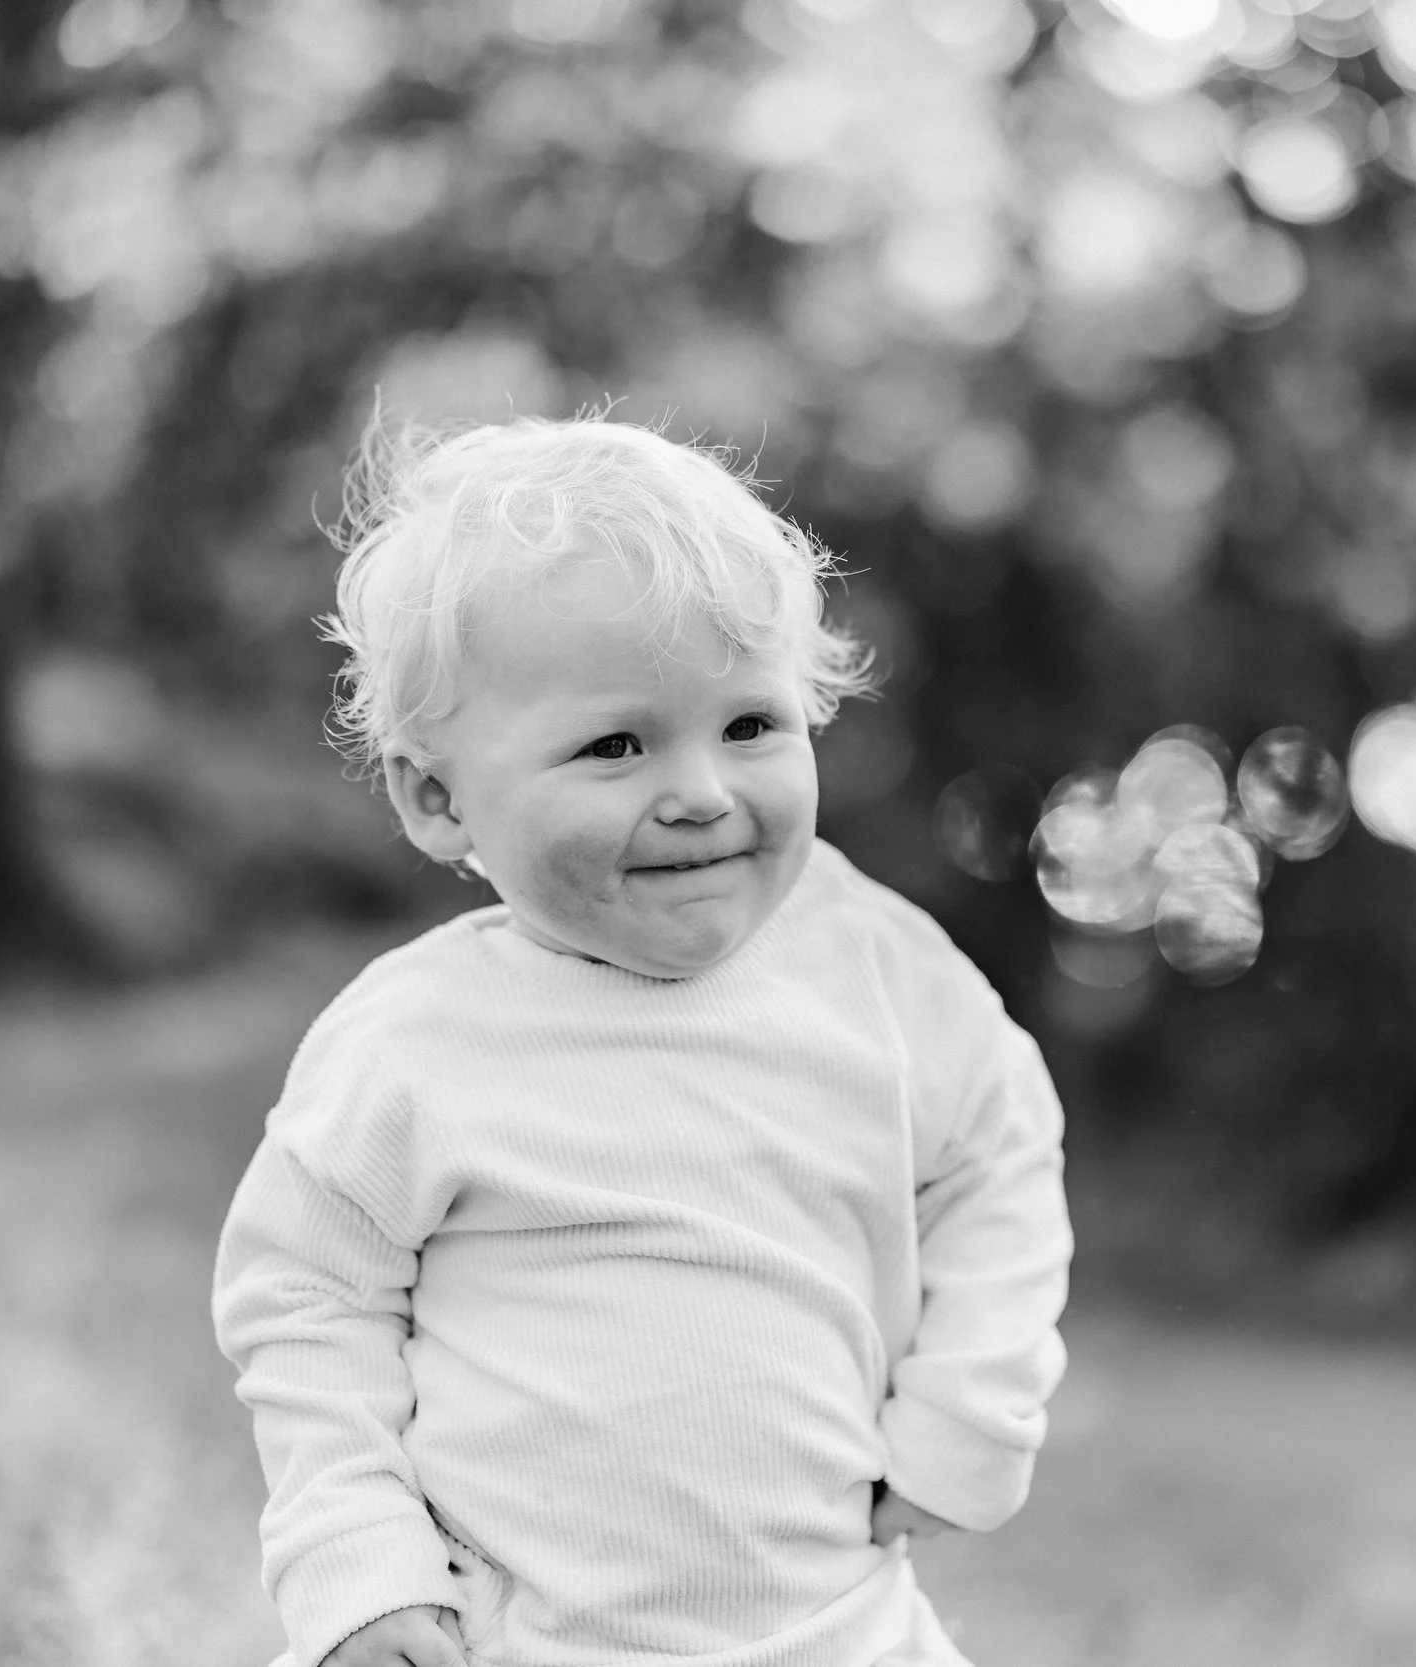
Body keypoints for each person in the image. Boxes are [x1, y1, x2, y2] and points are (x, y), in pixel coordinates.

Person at [211, 414, 1071, 1667]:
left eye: (752, 726)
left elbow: (1001, 1148)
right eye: (616, 743)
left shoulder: (874, 967)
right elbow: (304, 1296)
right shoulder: (416, 1041)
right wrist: (355, 1562)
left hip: (842, 1627)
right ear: (437, 797)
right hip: (519, 1633)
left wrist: (970, 1405)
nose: (704, 792)